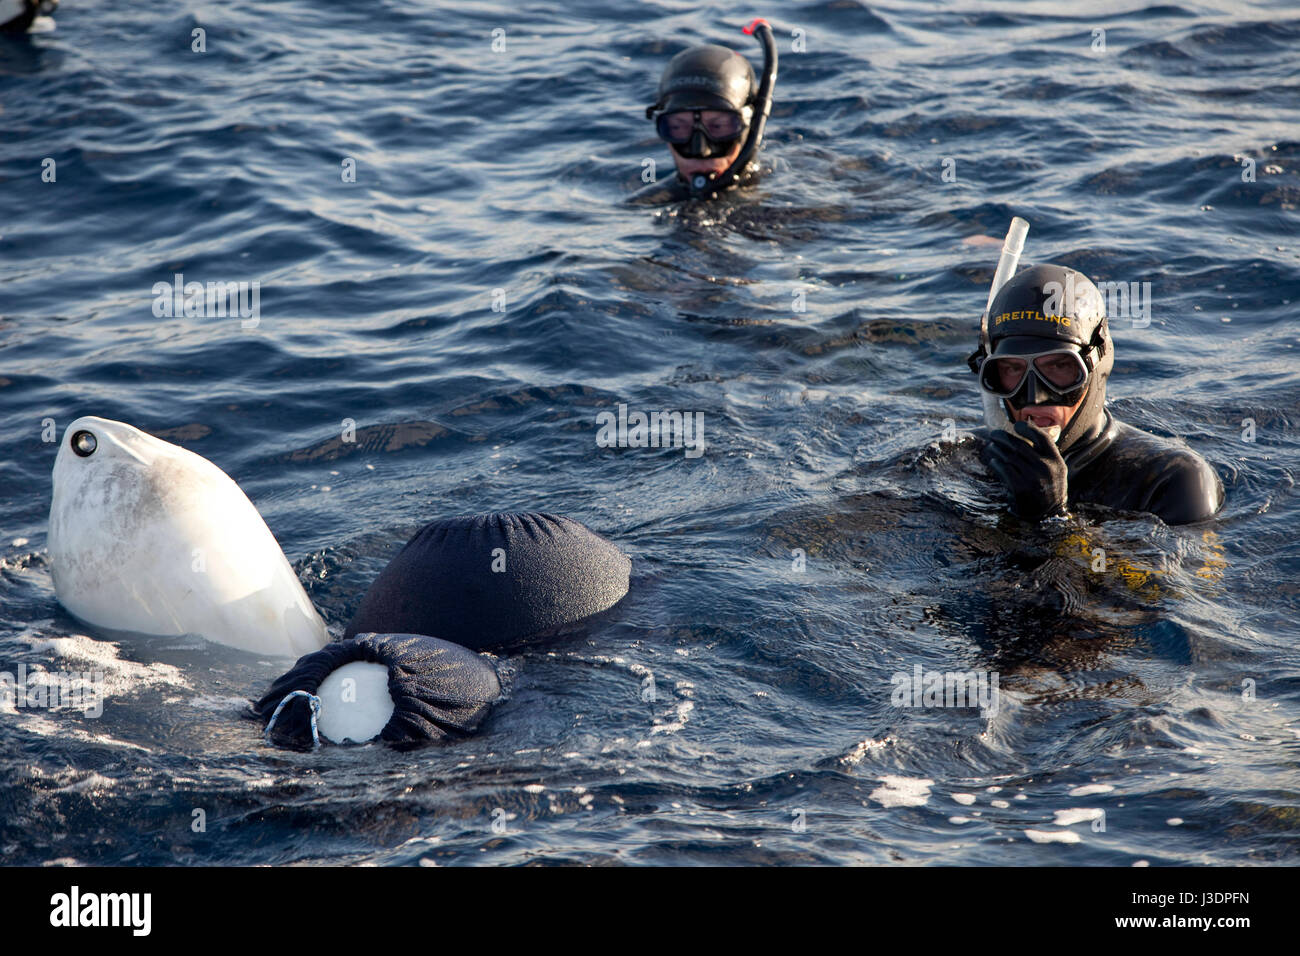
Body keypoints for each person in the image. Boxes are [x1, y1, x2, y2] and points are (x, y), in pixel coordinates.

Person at [968, 263, 1223, 524]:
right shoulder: (970, 459)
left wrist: (1050, 519)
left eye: (1058, 367)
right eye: (1012, 369)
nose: (1034, 395)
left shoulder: (1173, 481)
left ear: (1096, 365)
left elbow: (1179, 565)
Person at [634, 19, 776, 203]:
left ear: (750, 123)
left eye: (718, 126)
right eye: (678, 127)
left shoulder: (795, 198)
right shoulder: (644, 206)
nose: (701, 150)